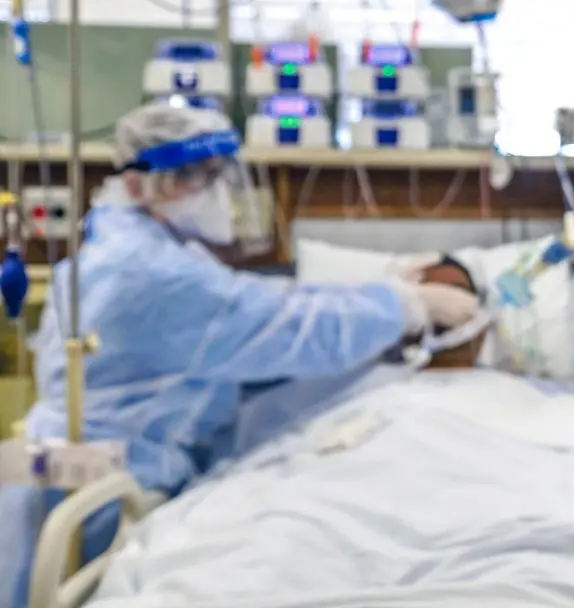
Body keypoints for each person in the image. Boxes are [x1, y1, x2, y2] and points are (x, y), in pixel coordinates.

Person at [1, 105, 479, 608]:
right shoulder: (151, 274)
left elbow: (255, 306)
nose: (221, 193)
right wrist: (402, 307)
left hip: (72, 466)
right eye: (202, 178)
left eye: (221, 175)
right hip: (97, 488)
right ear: (148, 185)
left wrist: (377, 294)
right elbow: (279, 326)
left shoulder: (136, 246)